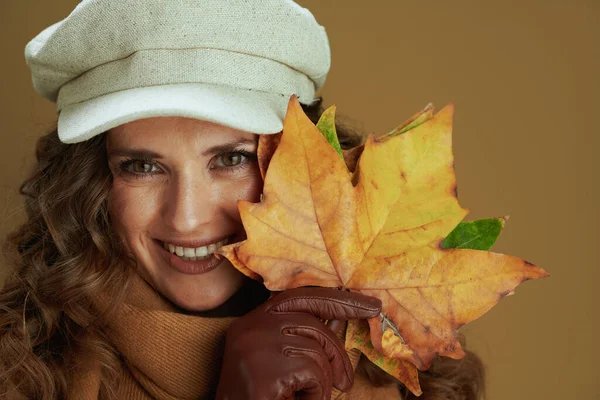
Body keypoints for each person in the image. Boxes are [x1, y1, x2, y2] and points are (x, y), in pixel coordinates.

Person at [0, 1, 486, 399]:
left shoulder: (403, 364)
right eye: (142, 166)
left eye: (231, 159)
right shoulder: (21, 370)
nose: (187, 218)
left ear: (303, 164)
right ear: (94, 182)